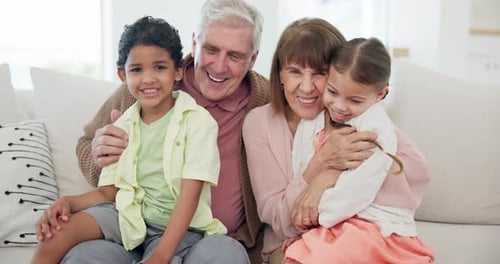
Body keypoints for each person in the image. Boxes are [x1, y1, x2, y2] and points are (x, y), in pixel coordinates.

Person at [66, 0, 269, 263]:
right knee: (84, 256)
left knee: (227, 256)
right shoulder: (151, 84)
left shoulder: (265, 100)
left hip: (208, 241)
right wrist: (100, 155)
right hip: (131, 234)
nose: (219, 66)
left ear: (252, 59)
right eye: (211, 49)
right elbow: (86, 144)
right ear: (195, 43)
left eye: (235, 56)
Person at [32, 15, 226, 264]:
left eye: (159, 67)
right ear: (123, 75)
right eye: (137, 69)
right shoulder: (122, 124)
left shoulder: (198, 121)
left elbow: (190, 197)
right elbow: (108, 193)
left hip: (175, 225)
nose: (148, 79)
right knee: (57, 233)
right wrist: (68, 201)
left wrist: (160, 256)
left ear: (177, 71)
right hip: (126, 216)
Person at [242, 20, 434, 263]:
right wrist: (321, 165)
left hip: (357, 234)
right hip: (290, 242)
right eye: (294, 71)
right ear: (279, 74)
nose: (307, 87)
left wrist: (327, 177)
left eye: (319, 73)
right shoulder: (260, 123)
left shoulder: (354, 116)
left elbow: (391, 184)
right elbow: (278, 219)